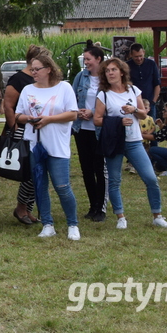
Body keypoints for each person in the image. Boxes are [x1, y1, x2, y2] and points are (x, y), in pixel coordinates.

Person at [93, 58, 167, 230]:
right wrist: (117, 122)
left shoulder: (133, 90)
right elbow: (97, 120)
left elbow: (143, 115)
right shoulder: (103, 94)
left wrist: (134, 110)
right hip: (114, 142)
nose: (110, 73)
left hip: (135, 141)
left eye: (114, 69)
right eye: (107, 71)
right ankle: (120, 216)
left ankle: (157, 215)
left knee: (150, 178)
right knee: (114, 180)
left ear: (122, 72)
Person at [15, 53, 80, 240]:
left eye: (37, 69)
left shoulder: (64, 88)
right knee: (40, 186)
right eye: (32, 69)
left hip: (57, 145)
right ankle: (47, 224)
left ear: (49, 69)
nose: (33, 72)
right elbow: (18, 115)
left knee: (62, 185)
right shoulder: (27, 90)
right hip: (35, 144)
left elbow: (72, 114)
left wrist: (49, 119)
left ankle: (72, 224)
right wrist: (30, 119)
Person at [2, 44, 43, 225]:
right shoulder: (18, 80)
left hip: (39, 132)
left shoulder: (40, 79)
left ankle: (28, 208)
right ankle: (21, 207)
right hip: (21, 131)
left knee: (36, 172)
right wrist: (15, 128)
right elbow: (8, 106)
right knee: (28, 171)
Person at [72, 46, 106, 222]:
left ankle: (101, 207)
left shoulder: (107, 78)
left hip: (99, 130)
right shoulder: (81, 76)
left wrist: (93, 111)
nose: (86, 63)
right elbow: (72, 97)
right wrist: (78, 112)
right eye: (84, 60)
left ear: (98, 59)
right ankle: (92, 205)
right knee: (86, 169)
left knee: (99, 168)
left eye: (88, 59)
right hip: (81, 129)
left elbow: (111, 102)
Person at [127, 43, 162, 120]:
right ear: (131, 55)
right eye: (136, 57)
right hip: (134, 103)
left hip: (150, 103)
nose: (139, 58)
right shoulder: (127, 66)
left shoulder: (151, 64)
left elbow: (157, 83)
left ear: (144, 53)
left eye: (140, 56)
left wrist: (154, 101)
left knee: (152, 125)